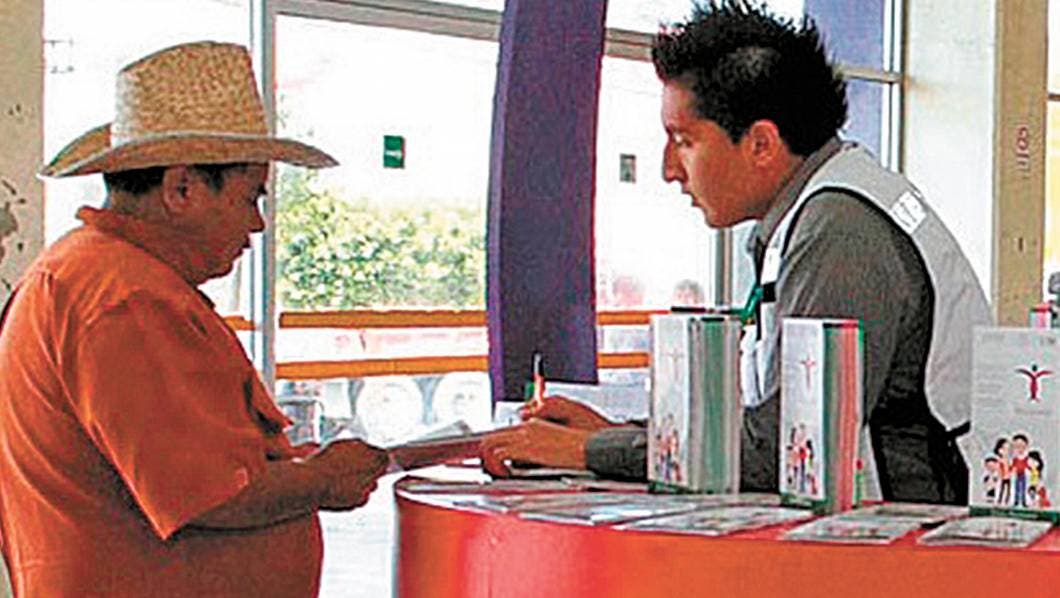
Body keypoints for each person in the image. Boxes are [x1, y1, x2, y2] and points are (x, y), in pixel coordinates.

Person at [481, 0, 990, 504]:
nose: (669, 169)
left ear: (761, 144)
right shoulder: (821, 207)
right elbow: (768, 423)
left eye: (683, 141)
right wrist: (615, 433)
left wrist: (589, 451)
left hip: (914, 534)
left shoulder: (841, 232)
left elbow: (789, 449)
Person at [0, 42, 390, 597]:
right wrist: (324, 480)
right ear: (182, 188)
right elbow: (211, 494)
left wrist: (298, 469)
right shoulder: (127, 299)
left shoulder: (93, 275)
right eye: (250, 198)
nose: (257, 224)